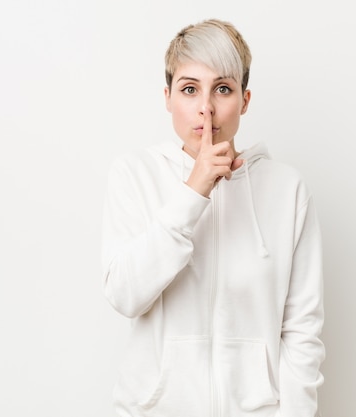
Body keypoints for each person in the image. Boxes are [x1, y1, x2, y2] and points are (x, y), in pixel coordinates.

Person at [102, 18, 325, 417]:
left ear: (245, 99)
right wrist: (194, 191)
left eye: (223, 88)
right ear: (168, 97)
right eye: (190, 89)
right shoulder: (134, 175)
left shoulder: (288, 190)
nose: (206, 107)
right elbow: (125, 294)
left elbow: (302, 331)